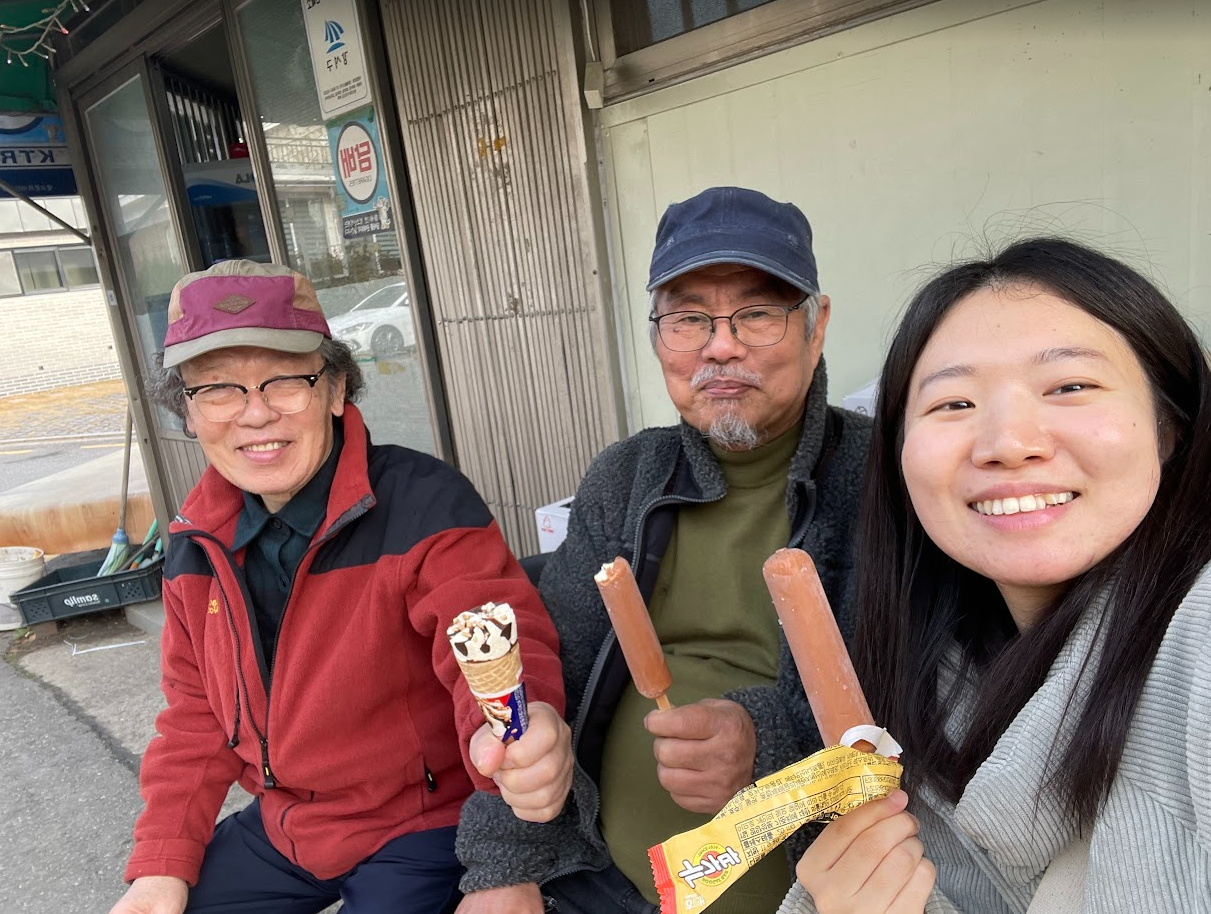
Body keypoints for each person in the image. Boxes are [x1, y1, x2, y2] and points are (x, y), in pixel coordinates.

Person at [108, 260, 573, 914]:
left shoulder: (425, 505)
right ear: (187, 411)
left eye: (285, 381)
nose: (255, 414)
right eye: (217, 389)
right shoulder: (196, 542)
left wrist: (518, 755)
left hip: (421, 822)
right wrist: (160, 863)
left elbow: (492, 651)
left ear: (334, 390)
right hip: (291, 825)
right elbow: (195, 718)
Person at [458, 187, 874, 913]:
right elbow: (559, 672)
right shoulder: (626, 478)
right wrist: (505, 864)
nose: (720, 346)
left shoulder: (882, 482)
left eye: (756, 313)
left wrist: (765, 741)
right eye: (687, 319)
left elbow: (925, 712)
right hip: (596, 882)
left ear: (817, 327)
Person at [786, 237, 1211, 914]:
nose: (1009, 444)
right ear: (899, 457)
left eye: (1070, 387)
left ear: (1170, 426)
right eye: (953, 404)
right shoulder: (928, 682)